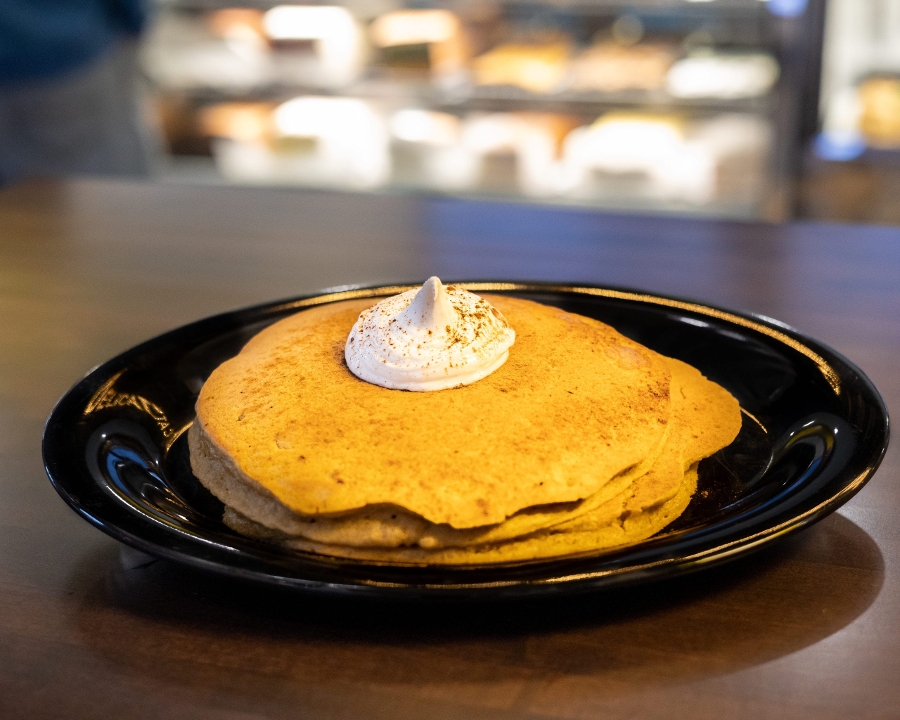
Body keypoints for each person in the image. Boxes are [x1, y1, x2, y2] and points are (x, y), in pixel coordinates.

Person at [0, 0, 158, 184]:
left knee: (17, 187)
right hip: (71, 55)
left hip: (36, 54)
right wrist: (134, 20)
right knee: (113, 183)